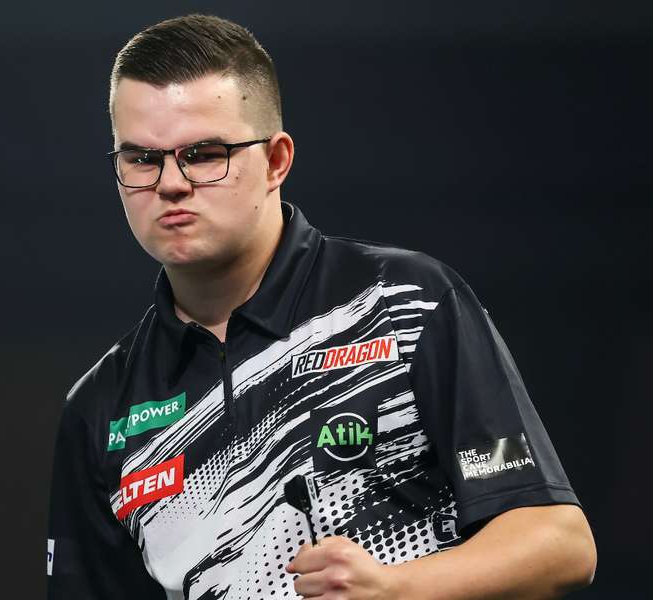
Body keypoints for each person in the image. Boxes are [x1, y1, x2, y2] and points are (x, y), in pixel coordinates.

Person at [46, 14, 596, 600]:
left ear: (277, 161)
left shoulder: (407, 300)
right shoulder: (100, 408)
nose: (171, 183)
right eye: (142, 159)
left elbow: (559, 541)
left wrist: (394, 589)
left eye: (205, 154)